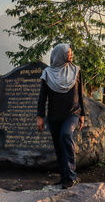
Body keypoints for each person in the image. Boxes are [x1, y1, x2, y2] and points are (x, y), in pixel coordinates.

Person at [37, 43, 86, 189]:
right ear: (60, 55)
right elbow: (42, 97)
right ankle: (64, 177)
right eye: (68, 52)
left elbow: (81, 94)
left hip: (72, 113)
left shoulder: (76, 71)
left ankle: (71, 177)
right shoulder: (47, 74)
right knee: (59, 146)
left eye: (70, 52)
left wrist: (82, 114)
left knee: (65, 135)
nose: (71, 55)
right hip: (54, 116)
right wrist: (40, 116)